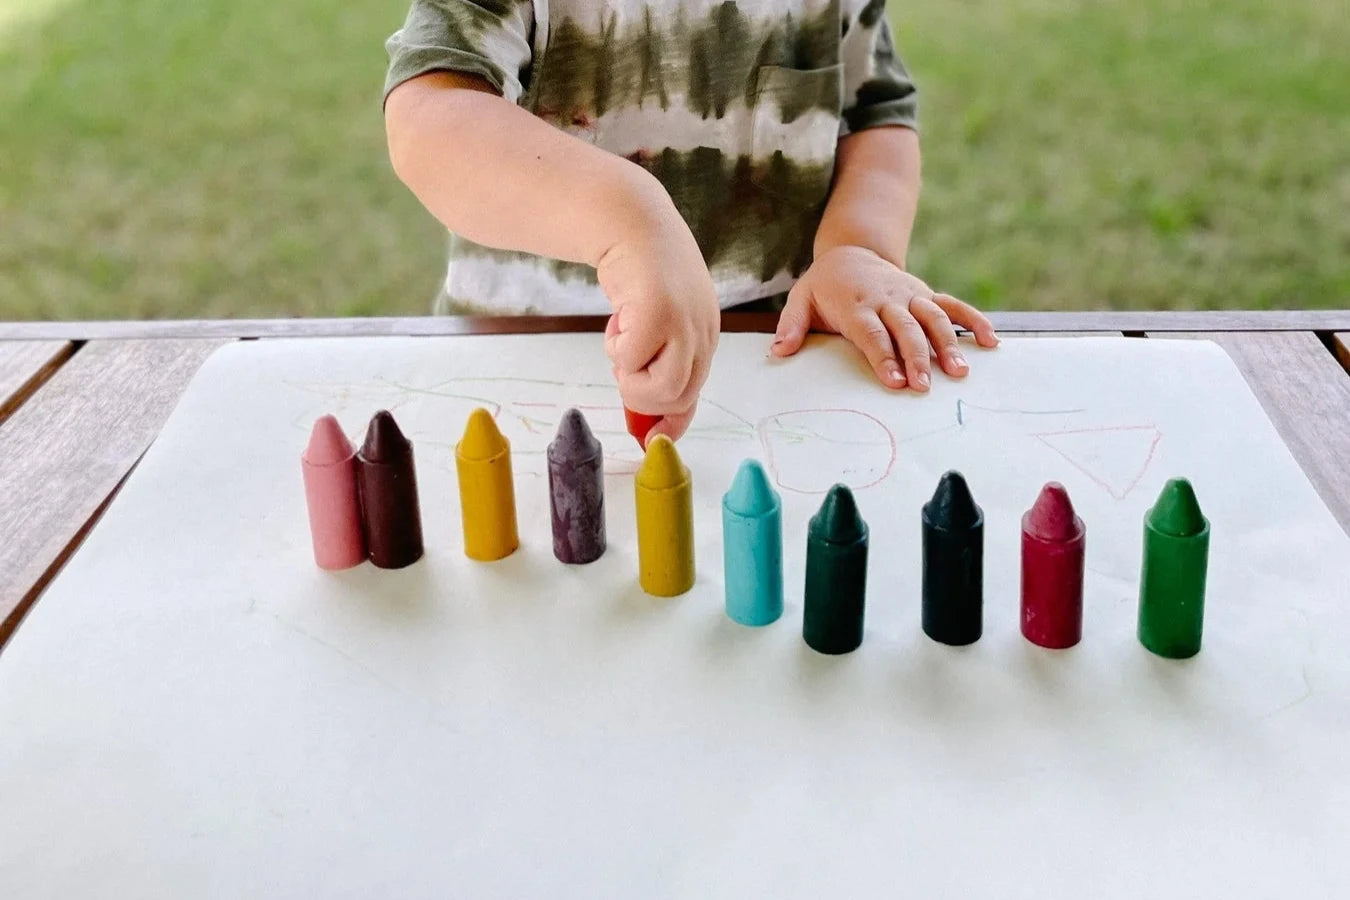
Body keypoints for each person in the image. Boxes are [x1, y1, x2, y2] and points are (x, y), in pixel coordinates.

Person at [383, 0, 999, 442]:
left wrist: (859, 247)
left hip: (778, 373)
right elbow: (430, 116)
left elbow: (876, 114)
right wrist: (629, 221)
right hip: (525, 380)